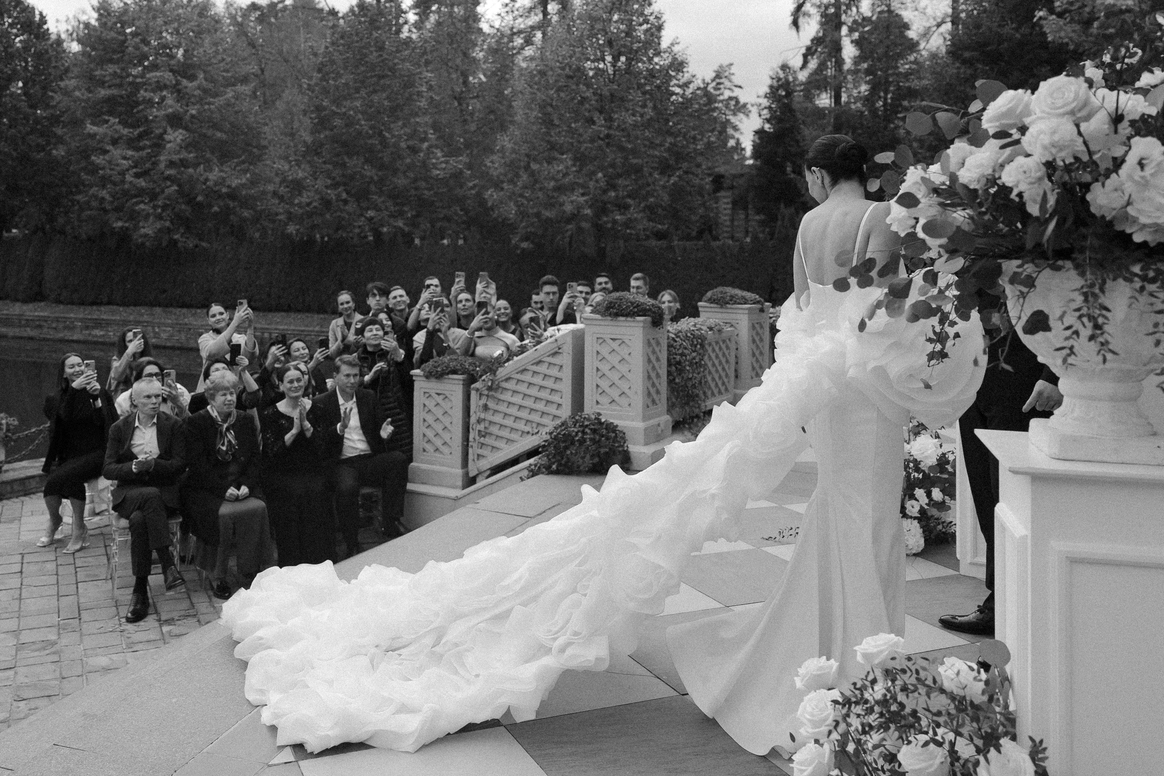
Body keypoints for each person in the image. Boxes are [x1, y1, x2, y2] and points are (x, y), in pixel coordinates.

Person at [219, 135, 985, 756]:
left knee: (841, 511)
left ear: (818, 177)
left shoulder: (811, 228)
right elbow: (879, 309)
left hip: (823, 389)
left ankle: (848, 652)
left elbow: (808, 309)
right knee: (863, 515)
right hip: (857, 390)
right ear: (861, 174)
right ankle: (860, 656)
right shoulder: (880, 216)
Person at [938, 329, 1061, 636]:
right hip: (973, 382)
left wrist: (1054, 375)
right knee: (987, 501)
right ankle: (1001, 604)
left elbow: (1068, 310)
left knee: (1013, 503)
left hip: (1024, 380)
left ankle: (1019, 612)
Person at [104, 379, 188, 624]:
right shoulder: (119, 428)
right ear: (134, 401)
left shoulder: (173, 425)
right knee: (148, 497)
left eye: (157, 397)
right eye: (147, 398)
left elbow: (180, 464)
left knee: (140, 519)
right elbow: (108, 469)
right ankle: (167, 563)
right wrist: (133, 467)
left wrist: (153, 465)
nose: (154, 402)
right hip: (129, 493)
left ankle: (140, 591)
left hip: (164, 494)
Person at [181, 371, 271, 599]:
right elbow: (197, 465)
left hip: (240, 483)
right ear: (211, 398)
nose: (229, 398)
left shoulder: (244, 420)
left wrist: (247, 485)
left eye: (232, 393)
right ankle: (217, 575)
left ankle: (250, 570)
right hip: (207, 488)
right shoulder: (196, 422)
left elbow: (255, 458)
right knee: (219, 516)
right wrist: (222, 489)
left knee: (258, 507)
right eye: (223, 394)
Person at [315, 356, 411, 559]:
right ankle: (351, 541)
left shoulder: (367, 397)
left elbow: (379, 429)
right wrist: (340, 428)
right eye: (347, 376)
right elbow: (320, 441)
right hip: (342, 462)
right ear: (335, 376)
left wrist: (383, 434)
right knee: (347, 488)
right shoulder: (322, 403)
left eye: (356, 376)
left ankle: (390, 522)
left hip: (368, 459)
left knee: (398, 460)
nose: (352, 381)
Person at [39, 354, 117, 552]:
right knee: (59, 482)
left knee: (61, 478)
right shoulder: (55, 398)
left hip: (98, 452)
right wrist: (74, 390)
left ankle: (77, 528)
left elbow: (106, 423)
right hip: (71, 455)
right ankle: (59, 521)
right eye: (71, 367)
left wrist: (96, 398)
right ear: (64, 373)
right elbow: (62, 420)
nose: (77, 369)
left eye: (80, 365)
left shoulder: (99, 391)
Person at [259, 364, 330, 567]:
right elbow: (272, 453)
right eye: (290, 381)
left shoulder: (318, 409)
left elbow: (323, 448)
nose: (296, 384)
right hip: (282, 472)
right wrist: (294, 430)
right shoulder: (270, 413)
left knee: (316, 492)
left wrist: (306, 426)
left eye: (299, 380)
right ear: (281, 385)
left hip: (312, 470)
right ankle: (291, 562)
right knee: (291, 495)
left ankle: (317, 561)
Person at [199, 302, 258, 391]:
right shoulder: (205, 339)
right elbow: (213, 352)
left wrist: (250, 326)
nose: (218, 318)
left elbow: (251, 357)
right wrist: (235, 323)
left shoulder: (240, 338)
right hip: (210, 390)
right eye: (213, 316)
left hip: (234, 389)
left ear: (227, 315)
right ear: (208, 321)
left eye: (221, 314)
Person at [113, 359, 191, 419]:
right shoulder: (124, 400)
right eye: (149, 376)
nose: (154, 379)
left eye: (157, 375)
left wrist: (177, 402)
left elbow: (189, 424)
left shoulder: (178, 392)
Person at [187, 357, 262, 416]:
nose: (222, 372)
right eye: (216, 370)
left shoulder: (237, 394)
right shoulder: (197, 399)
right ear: (208, 378)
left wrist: (243, 371)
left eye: (225, 369)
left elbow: (254, 396)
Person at [412, 301, 471, 368]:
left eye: (446, 306)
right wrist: (430, 331)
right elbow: (425, 362)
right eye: (438, 306)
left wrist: (445, 335)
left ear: (452, 310)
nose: (442, 309)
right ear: (431, 310)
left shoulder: (462, 334)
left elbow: (458, 362)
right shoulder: (420, 336)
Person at [108, 327, 152, 395]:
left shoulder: (149, 360)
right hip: (124, 398)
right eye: (130, 341)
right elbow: (117, 376)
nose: (134, 343)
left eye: (138, 339)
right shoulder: (117, 360)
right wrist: (130, 352)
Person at [327, 290, 363, 359]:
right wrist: (340, 340)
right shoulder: (334, 324)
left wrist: (348, 340)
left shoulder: (364, 320)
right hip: (340, 362)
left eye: (348, 302)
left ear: (353, 304)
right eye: (341, 304)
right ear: (338, 308)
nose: (345, 306)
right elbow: (332, 354)